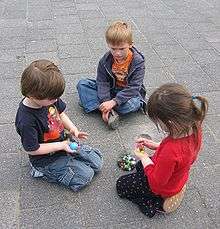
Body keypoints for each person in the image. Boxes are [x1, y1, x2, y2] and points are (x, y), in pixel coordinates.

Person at [116, 83, 208, 217]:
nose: (158, 124)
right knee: (140, 167)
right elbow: (181, 155)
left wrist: (144, 156)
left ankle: (156, 203)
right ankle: (176, 188)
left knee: (121, 185)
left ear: (169, 123)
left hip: (162, 187)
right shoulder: (194, 126)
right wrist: (155, 145)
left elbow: (156, 183)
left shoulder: (170, 152)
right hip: (177, 176)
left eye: (158, 122)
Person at [15, 60, 103, 191]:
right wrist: (61, 145)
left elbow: (61, 114)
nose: (55, 100)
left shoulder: (49, 97)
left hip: (64, 144)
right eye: (52, 99)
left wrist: (73, 129)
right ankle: (40, 171)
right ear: (32, 95)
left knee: (97, 162)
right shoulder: (26, 120)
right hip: (46, 160)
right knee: (85, 176)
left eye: (56, 97)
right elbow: (31, 149)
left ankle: (69, 159)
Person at [77, 20, 146, 129]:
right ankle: (108, 110)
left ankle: (98, 107)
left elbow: (134, 87)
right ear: (108, 45)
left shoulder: (138, 61)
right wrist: (106, 101)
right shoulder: (105, 60)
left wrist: (114, 101)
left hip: (129, 94)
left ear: (131, 44)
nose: (117, 53)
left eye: (122, 49)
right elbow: (102, 82)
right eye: (113, 49)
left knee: (129, 105)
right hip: (111, 90)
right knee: (82, 84)